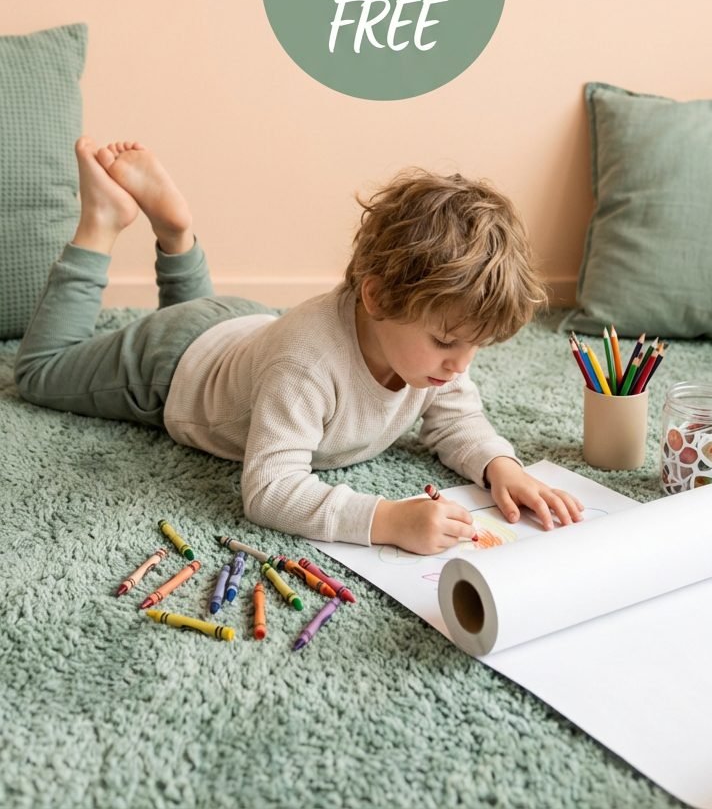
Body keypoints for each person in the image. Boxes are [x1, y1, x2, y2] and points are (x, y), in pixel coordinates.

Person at [15, 138, 584, 552]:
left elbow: (458, 421)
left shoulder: (435, 354)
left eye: (475, 346)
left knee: (233, 341)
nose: (460, 364)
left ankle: (175, 233)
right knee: (38, 374)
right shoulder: (306, 364)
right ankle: (103, 219)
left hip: (246, 328)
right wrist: (385, 520)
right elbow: (269, 489)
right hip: (170, 363)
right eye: (445, 341)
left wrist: (500, 466)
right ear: (377, 298)